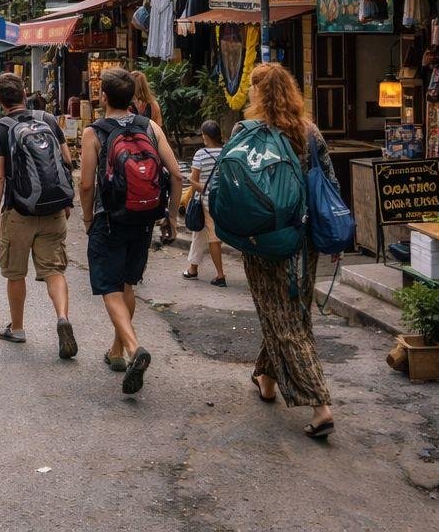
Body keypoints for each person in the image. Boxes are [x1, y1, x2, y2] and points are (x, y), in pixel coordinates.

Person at [234, 62, 337, 439]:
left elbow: (236, 189)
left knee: (287, 321)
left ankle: (320, 403)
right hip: (304, 242)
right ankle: (266, 375)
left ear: (259, 94)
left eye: (250, 88)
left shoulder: (247, 133)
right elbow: (329, 183)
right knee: (288, 312)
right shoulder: (310, 132)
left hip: (264, 242)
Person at [77, 68, 181, 394]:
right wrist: (172, 217)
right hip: (144, 217)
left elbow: (85, 183)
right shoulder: (149, 127)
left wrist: (86, 218)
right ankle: (117, 351)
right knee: (127, 285)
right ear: (134, 98)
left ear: (103, 97)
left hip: (109, 219)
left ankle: (134, 348)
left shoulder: (94, 133)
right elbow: (176, 175)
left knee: (109, 288)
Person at [0, 72, 77, 359]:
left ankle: (18, 328)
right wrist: (66, 198)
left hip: (18, 211)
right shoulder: (48, 120)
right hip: (53, 209)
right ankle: (62, 317)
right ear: (25, 93)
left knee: (15, 273)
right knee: (54, 270)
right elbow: (66, 160)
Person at [183, 120, 227, 286]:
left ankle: (220, 275)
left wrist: (189, 181)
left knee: (213, 239)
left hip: (208, 202)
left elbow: (195, 182)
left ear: (206, 136)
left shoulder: (200, 154)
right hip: (223, 201)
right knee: (199, 233)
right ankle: (193, 269)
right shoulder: (226, 152)